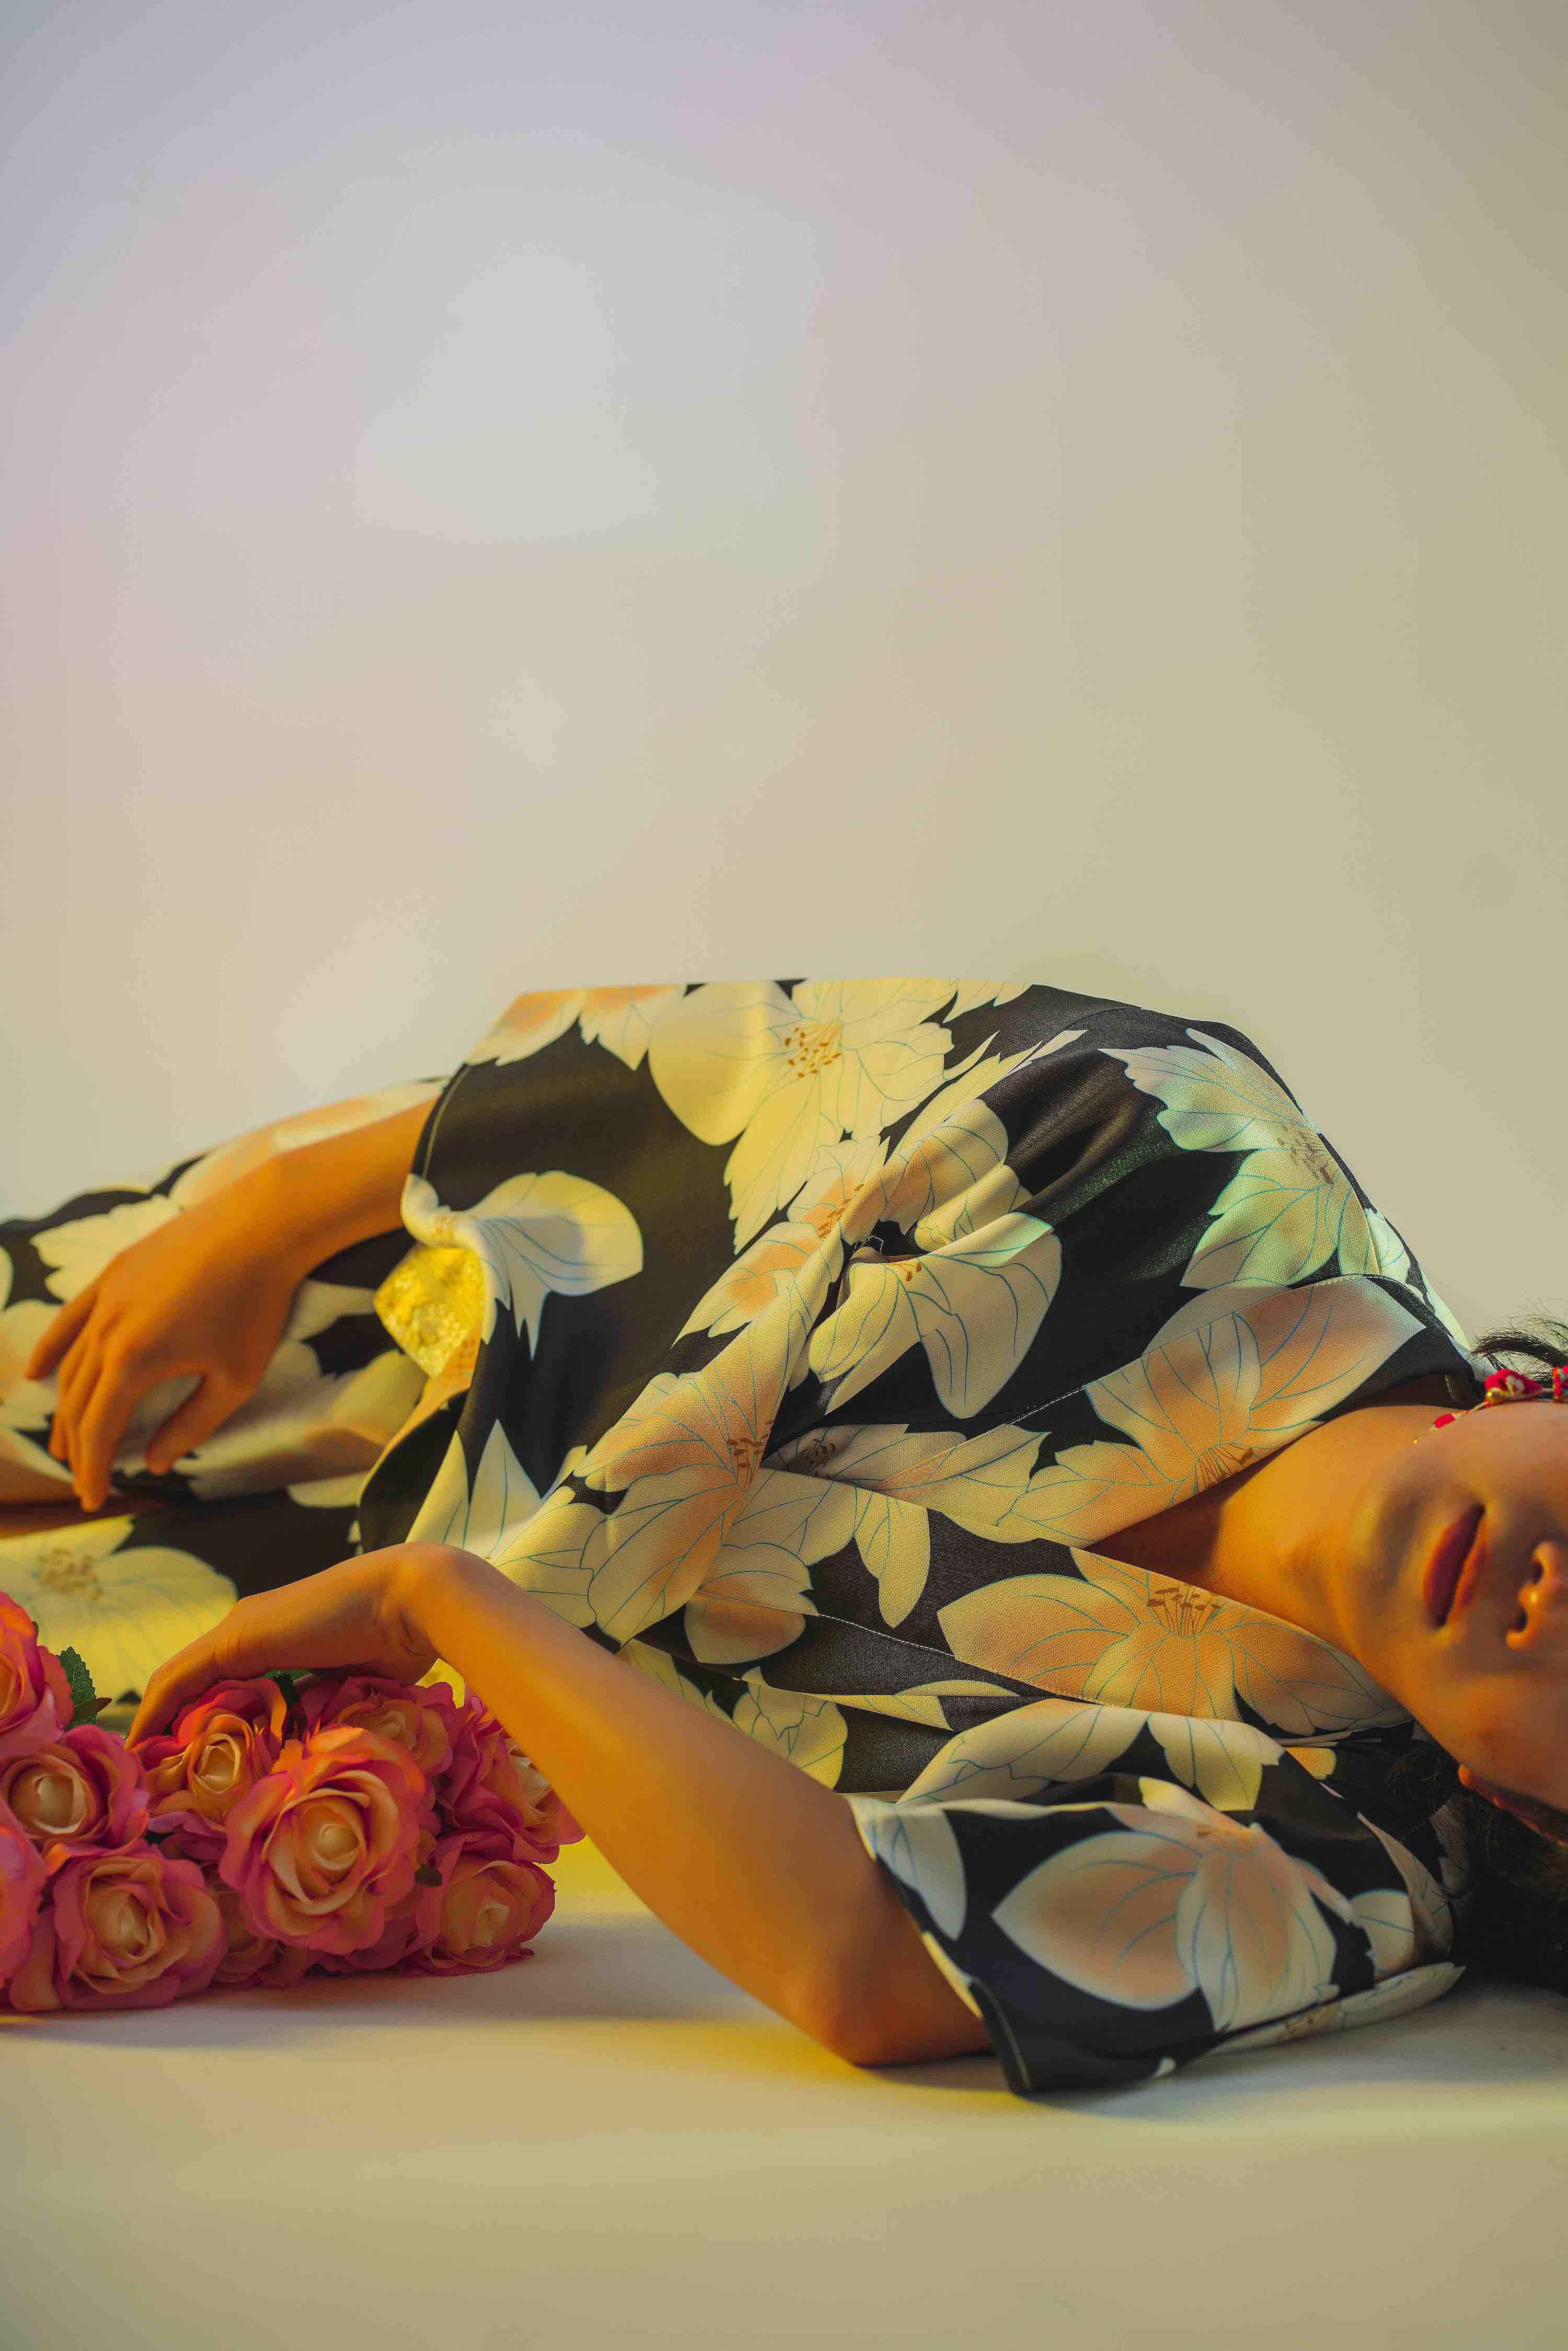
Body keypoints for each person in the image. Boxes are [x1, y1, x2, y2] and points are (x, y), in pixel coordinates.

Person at [3, 976, 1565, 2091]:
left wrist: (448, 1606)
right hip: (378, 1284)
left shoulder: (1344, 1857)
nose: (1556, 1597)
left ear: (1549, 1818)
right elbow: (661, 1085)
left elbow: (867, 1960)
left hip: (384, 1696)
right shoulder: (1186, 1142)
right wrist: (267, 1214)